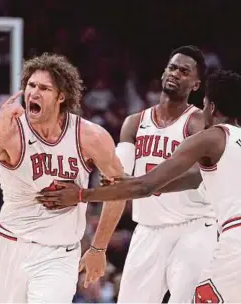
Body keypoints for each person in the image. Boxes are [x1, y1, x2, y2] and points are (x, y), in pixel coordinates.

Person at [38, 68, 241, 303]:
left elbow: (145, 187)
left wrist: (82, 194)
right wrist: (140, 183)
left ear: (211, 107)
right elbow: (195, 179)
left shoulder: (210, 138)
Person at [0, 53, 126, 302]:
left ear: (62, 96)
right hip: (11, 245)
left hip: (60, 253)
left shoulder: (90, 137)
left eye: (44, 88)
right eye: (31, 86)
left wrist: (98, 248)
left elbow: (118, 189)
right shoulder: (6, 130)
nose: (33, 93)